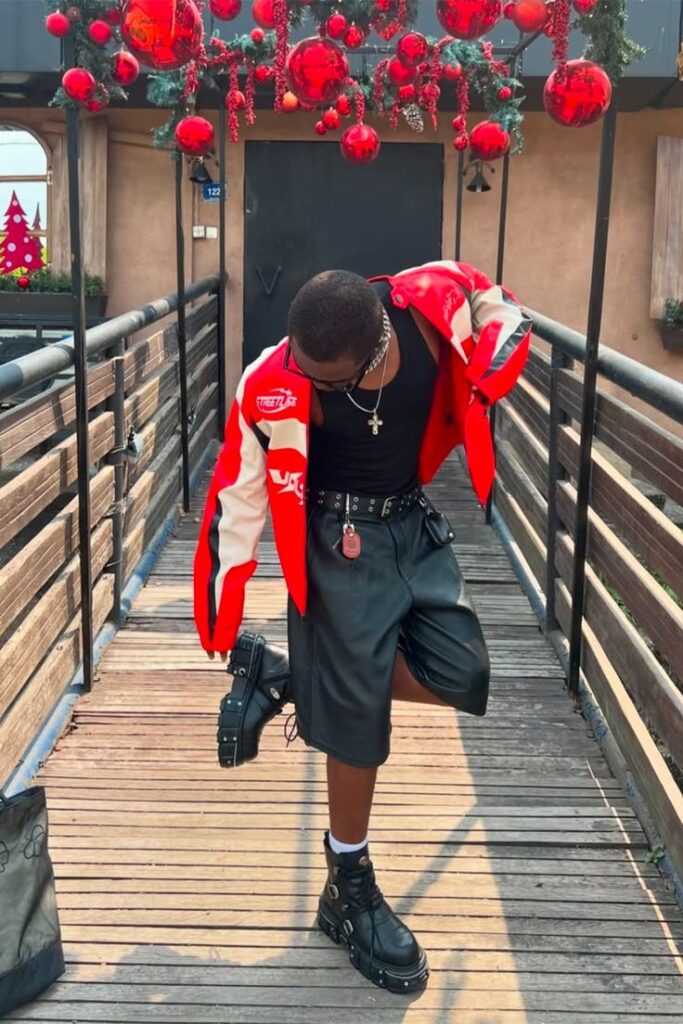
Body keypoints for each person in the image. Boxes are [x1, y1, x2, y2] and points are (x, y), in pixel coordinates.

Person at [194, 260, 531, 994]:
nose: (311, 387)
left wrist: (499, 354)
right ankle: (350, 884)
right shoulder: (274, 380)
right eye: (304, 372)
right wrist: (222, 607)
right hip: (334, 541)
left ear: (375, 343)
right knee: (357, 724)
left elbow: (492, 302)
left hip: (413, 522)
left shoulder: (422, 310)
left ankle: (291, 674)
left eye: (330, 380)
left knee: (462, 676)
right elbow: (236, 493)